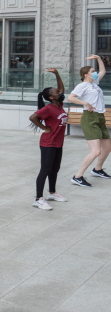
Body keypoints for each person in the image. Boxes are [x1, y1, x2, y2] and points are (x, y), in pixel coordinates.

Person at [67, 55, 111, 186]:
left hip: (100, 117)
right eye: (93, 71)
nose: (95, 73)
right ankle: (77, 176)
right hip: (90, 118)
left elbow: (103, 71)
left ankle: (97, 169)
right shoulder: (83, 85)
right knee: (96, 151)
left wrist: (98, 58)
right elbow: (71, 98)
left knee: (107, 147)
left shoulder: (94, 84)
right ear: (86, 74)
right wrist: (85, 103)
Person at [28, 68, 67, 210]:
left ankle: (52, 193)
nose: (60, 93)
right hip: (48, 143)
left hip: (57, 143)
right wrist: (44, 128)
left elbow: (61, 88)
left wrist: (57, 74)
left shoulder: (59, 104)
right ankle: (38, 199)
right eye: (56, 93)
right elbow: (33, 117)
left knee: (55, 169)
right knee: (45, 169)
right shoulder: (49, 108)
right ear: (51, 97)